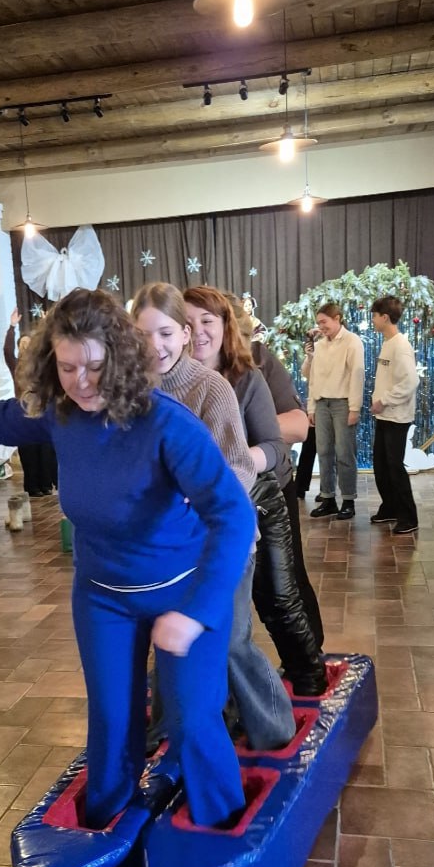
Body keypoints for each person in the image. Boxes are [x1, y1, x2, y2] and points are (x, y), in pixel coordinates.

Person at [0, 288, 255, 830]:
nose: (82, 382)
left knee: (192, 721)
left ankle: (222, 828)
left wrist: (195, 614)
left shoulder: (169, 425)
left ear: (121, 357)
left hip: (182, 593)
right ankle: (105, 827)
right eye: (68, 367)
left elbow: (234, 517)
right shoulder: (62, 414)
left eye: (95, 367)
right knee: (112, 720)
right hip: (103, 597)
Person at [132, 281, 295, 750]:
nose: (155, 346)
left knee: (228, 638)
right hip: (168, 545)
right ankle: (171, 728)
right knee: (171, 636)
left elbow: (239, 468)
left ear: (183, 335)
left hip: (224, 540)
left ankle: (274, 724)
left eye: (166, 333)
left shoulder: (212, 388)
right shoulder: (132, 389)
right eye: (143, 335)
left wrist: (194, 503)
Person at [183, 285, 326, 694]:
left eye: (207, 321)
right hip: (199, 508)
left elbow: (281, 441)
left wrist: (233, 460)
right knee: (211, 605)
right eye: (188, 323)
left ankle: (308, 674)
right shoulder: (168, 379)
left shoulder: (250, 372)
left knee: (278, 594)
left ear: (226, 325)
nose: (198, 332)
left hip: (261, 496)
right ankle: (214, 693)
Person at [229, 293, 323, 647]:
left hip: (268, 487)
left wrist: (234, 430)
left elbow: (298, 426)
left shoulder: (260, 361)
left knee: (284, 586)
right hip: (216, 494)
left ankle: (311, 659)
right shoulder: (183, 368)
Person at [302, 303, 365, 520]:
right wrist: (311, 407)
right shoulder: (319, 345)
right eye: (318, 323)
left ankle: (348, 500)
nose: (321, 327)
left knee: (345, 453)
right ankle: (328, 498)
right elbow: (310, 377)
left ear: (337, 318)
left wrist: (355, 407)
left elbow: (357, 375)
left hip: (342, 403)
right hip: (321, 403)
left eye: (324, 322)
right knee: (324, 452)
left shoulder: (352, 341)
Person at [369, 296, 420, 535]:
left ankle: (408, 517)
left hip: (397, 416)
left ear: (385, 317)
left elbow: (410, 381)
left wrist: (384, 400)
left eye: (374, 316)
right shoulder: (388, 343)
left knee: (394, 467)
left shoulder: (400, 346)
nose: (372, 320)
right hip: (384, 415)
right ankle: (390, 507)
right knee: (381, 465)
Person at [4, 308, 58, 497]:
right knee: (28, 451)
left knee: (44, 449)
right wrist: (12, 327)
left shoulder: (40, 364)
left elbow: (50, 349)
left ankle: (46, 485)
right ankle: (32, 486)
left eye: (29, 343)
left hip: (40, 409)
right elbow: (7, 350)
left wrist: (47, 325)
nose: (26, 346)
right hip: (22, 411)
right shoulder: (15, 365)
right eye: (22, 343)